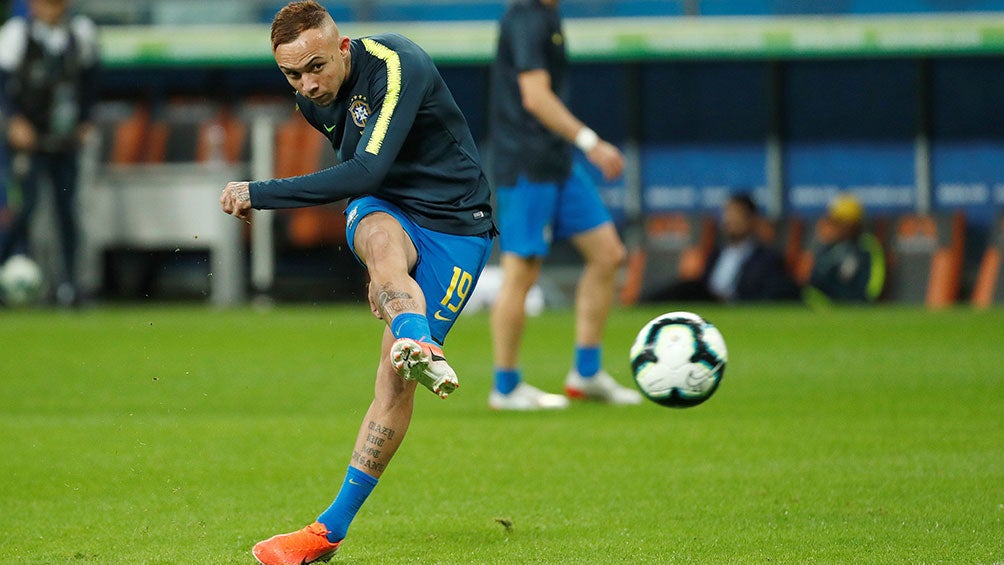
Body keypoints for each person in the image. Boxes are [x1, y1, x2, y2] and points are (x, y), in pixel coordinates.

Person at [218, 2, 495, 563]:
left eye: (316, 67)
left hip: (458, 221)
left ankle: (330, 529)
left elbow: (365, 167)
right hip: (386, 205)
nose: (307, 84)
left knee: (392, 388)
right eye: (292, 75)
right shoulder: (312, 98)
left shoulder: (398, 65)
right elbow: (366, 182)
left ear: (343, 48)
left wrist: (259, 192)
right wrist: (380, 270)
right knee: (378, 238)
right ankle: (415, 334)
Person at [487, 0, 641, 411]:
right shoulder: (524, 18)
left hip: (556, 162)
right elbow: (535, 97)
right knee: (522, 272)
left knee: (608, 253)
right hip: (526, 163)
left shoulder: (548, 15)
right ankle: (506, 387)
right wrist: (590, 142)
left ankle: (586, 374)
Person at [0, 0, 98, 307]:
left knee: (66, 211)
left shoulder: (81, 33)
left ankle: (69, 285)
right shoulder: (17, 34)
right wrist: (14, 121)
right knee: (23, 208)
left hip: (64, 139)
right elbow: (3, 85)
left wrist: (85, 120)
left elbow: (92, 81)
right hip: (28, 139)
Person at [645, 193, 800, 303]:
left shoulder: (766, 257)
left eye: (736, 214)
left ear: (751, 219)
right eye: (727, 213)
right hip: (708, 300)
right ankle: (643, 305)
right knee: (688, 285)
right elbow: (705, 281)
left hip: (737, 303)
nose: (729, 220)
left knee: (690, 288)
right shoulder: (717, 252)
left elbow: (768, 293)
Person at [804, 192, 885, 304]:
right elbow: (812, 284)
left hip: (857, 310)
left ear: (851, 224)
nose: (832, 227)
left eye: (837, 222)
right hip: (824, 311)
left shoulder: (866, 247)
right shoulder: (826, 247)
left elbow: (871, 289)